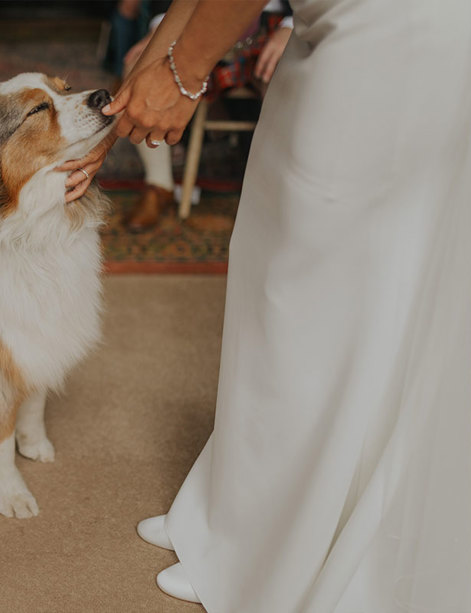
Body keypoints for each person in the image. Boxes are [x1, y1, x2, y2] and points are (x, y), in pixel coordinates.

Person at [60, 0, 471, 610]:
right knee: (273, 262)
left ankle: (281, 544)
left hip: (390, 39)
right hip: (326, 26)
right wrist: (127, 105)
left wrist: (183, 75)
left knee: (319, 291)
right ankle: (235, 511)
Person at [121, 1, 293, 230]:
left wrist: (293, 25)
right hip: (197, 23)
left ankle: (279, 193)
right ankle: (159, 186)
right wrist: (159, 31)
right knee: (139, 65)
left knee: (287, 73)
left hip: (274, 25)